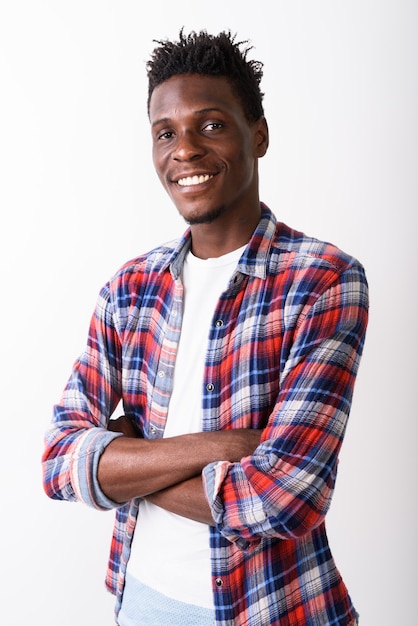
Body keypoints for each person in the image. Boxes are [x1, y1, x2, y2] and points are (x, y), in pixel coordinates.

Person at [42, 29, 369, 626]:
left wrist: (123, 462)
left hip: (271, 607)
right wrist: (224, 448)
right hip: (141, 600)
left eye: (211, 124)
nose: (184, 149)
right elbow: (59, 461)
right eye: (165, 133)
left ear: (259, 135)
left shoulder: (322, 281)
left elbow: (284, 499)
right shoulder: (129, 288)